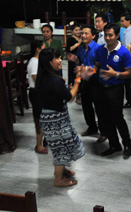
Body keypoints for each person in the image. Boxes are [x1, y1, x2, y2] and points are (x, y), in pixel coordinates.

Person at [36, 48, 84, 187]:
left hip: (52, 118)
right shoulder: (54, 80)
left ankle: (62, 170)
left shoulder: (44, 77)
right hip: (55, 121)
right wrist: (78, 80)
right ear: (49, 62)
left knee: (67, 144)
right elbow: (70, 98)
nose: (60, 60)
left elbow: (58, 95)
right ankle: (58, 179)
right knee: (61, 149)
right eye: (57, 58)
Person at [94, 23, 131, 156]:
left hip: (116, 88)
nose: (108, 38)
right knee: (105, 118)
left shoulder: (124, 52)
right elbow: (97, 66)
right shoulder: (100, 50)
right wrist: (89, 71)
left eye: (111, 35)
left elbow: (129, 73)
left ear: (117, 35)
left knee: (118, 118)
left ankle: (127, 144)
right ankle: (114, 145)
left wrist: (115, 74)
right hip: (101, 88)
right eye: (106, 35)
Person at [75, 25, 106, 143]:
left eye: (86, 33)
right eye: (82, 33)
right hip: (84, 81)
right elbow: (78, 62)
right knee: (86, 106)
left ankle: (104, 132)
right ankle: (92, 127)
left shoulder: (99, 48)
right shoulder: (81, 48)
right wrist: (78, 69)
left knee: (99, 107)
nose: (83, 35)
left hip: (96, 81)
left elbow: (100, 66)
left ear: (93, 36)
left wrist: (86, 69)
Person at [27, 40, 47, 154]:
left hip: (39, 92)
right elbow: (36, 80)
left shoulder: (38, 61)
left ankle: (45, 139)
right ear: (38, 49)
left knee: (43, 117)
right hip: (36, 92)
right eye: (44, 47)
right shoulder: (34, 62)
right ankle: (38, 145)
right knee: (39, 119)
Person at [65, 24, 82, 91]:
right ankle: (72, 89)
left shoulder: (81, 38)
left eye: (79, 30)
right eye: (76, 30)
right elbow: (69, 49)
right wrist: (78, 43)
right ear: (72, 31)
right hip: (73, 59)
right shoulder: (70, 39)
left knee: (79, 74)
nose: (78, 32)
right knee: (72, 74)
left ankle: (78, 89)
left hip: (80, 59)